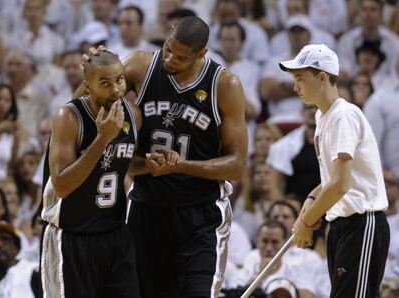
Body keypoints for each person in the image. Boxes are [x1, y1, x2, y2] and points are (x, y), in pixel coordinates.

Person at [86, 15, 248, 298]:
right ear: (168, 33)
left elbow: (236, 165)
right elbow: (86, 109)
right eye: (168, 48)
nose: (169, 59)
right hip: (147, 207)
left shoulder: (224, 85)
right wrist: (93, 73)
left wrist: (181, 166)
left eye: (180, 57)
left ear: (201, 54)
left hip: (201, 215)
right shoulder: (140, 65)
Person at [279, 44, 390, 297]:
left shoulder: (343, 116)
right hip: (341, 224)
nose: (295, 86)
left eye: (300, 78)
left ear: (321, 77)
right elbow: (331, 179)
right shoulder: (323, 117)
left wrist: (307, 222)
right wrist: (309, 203)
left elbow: (341, 184)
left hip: (362, 222)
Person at [39, 50, 141, 297]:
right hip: (72, 238)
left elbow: (122, 162)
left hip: (115, 235)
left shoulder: (132, 114)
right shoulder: (68, 117)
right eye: (105, 83)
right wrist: (102, 139)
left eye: (119, 80)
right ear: (87, 85)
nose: (116, 89)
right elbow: (62, 185)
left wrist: (154, 163)